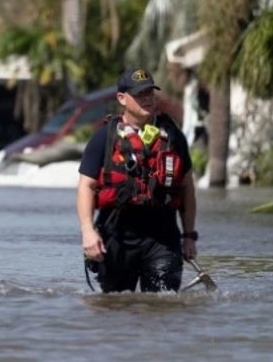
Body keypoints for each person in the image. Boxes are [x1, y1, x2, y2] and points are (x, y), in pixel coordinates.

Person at [75, 66, 197, 293]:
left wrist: (189, 235)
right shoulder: (105, 137)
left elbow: (187, 187)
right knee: (116, 308)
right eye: (140, 94)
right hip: (117, 239)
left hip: (162, 239)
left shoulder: (172, 136)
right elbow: (86, 186)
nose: (147, 99)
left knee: (164, 305)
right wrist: (87, 231)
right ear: (122, 98)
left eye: (150, 93)